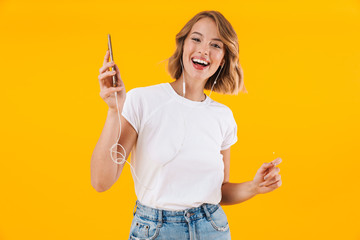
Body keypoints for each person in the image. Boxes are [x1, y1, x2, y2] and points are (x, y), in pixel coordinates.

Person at [91, 10, 283, 240]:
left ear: (223, 59)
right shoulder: (142, 100)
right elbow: (101, 181)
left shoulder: (222, 116)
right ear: (183, 45)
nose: (203, 49)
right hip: (154, 231)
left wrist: (254, 186)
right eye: (196, 39)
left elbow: (219, 191)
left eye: (216, 45)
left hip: (212, 230)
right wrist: (114, 110)